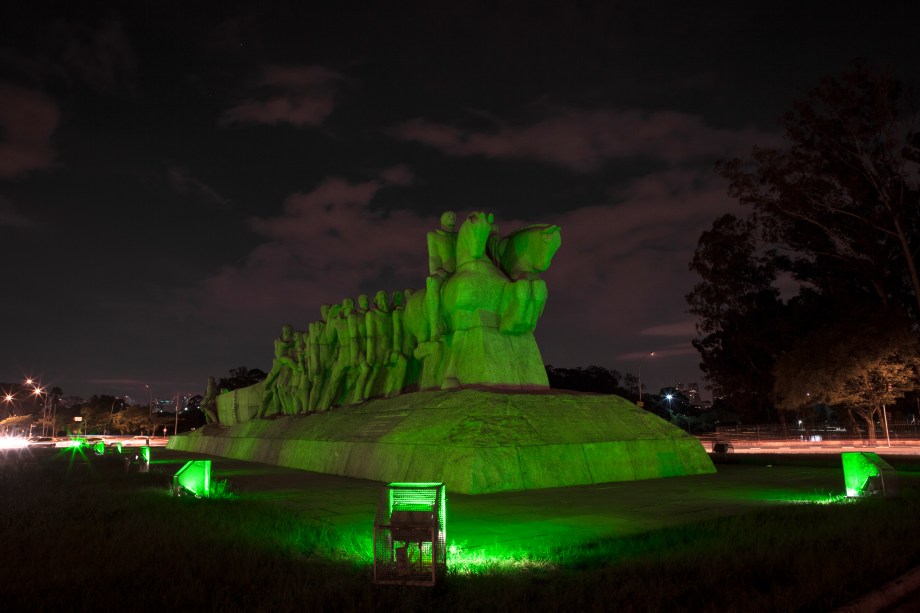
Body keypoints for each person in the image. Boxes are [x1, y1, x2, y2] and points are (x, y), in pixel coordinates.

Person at [425, 211, 457, 340]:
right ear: (442, 219)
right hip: (443, 272)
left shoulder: (460, 236)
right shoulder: (434, 235)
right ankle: (435, 326)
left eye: (454, 216)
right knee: (432, 283)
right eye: (449, 216)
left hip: (460, 270)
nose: (452, 217)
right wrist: (436, 270)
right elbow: (433, 256)